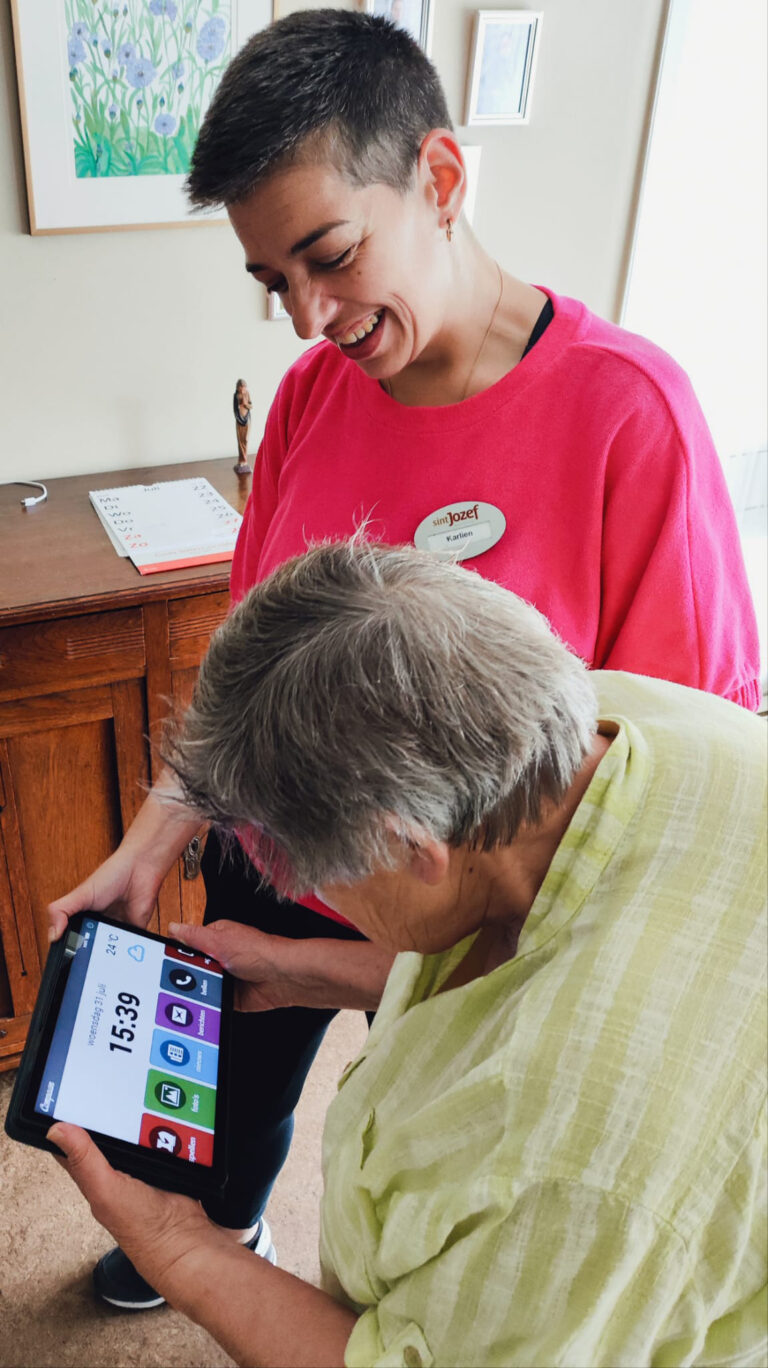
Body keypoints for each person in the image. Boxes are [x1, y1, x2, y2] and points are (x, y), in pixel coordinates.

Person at [48, 9, 761, 1311]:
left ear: (438, 177)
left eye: (328, 257)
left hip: (473, 923)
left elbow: (674, 766)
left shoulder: (628, 416)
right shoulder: (324, 392)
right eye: (274, 283)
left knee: (437, 1213)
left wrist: (414, 968)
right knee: (230, 1115)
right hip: (282, 854)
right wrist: (157, 833)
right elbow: (251, 651)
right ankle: (231, 1224)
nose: (309, 319)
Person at [51, 539, 767, 1368]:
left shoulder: (561, 1168)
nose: (315, 895)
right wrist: (300, 969)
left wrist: (179, 1246)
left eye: (319, 877)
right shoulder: (608, 718)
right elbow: (526, 968)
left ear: (409, 849)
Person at [233, 377, 253, 473]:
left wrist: (245, 404)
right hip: (239, 420)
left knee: (246, 440)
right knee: (240, 441)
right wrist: (239, 418)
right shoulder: (236, 395)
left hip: (247, 420)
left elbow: (251, 406)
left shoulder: (247, 394)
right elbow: (235, 409)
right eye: (241, 387)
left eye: (244, 387)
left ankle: (245, 460)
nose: (242, 389)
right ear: (238, 388)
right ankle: (241, 460)